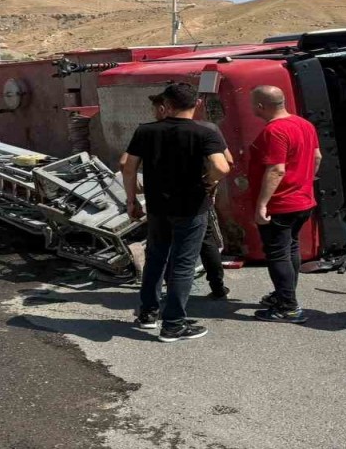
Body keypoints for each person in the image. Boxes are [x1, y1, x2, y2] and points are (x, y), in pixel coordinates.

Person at [122, 83, 230, 342]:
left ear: (166, 106)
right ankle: (173, 324)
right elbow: (222, 166)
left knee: (155, 258)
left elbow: (127, 165)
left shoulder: (146, 131)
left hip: (158, 206)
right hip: (192, 208)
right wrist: (209, 181)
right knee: (183, 263)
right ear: (198, 104)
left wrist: (131, 200)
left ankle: (148, 313)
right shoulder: (204, 132)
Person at [247, 85, 321, 324]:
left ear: (261, 106)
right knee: (291, 248)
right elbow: (317, 157)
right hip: (303, 200)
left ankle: (288, 307)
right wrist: (305, 181)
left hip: (281, 204)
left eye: (253, 104)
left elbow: (276, 169)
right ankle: (283, 295)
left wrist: (262, 204)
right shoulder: (304, 124)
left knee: (278, 253)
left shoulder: (275, 131)